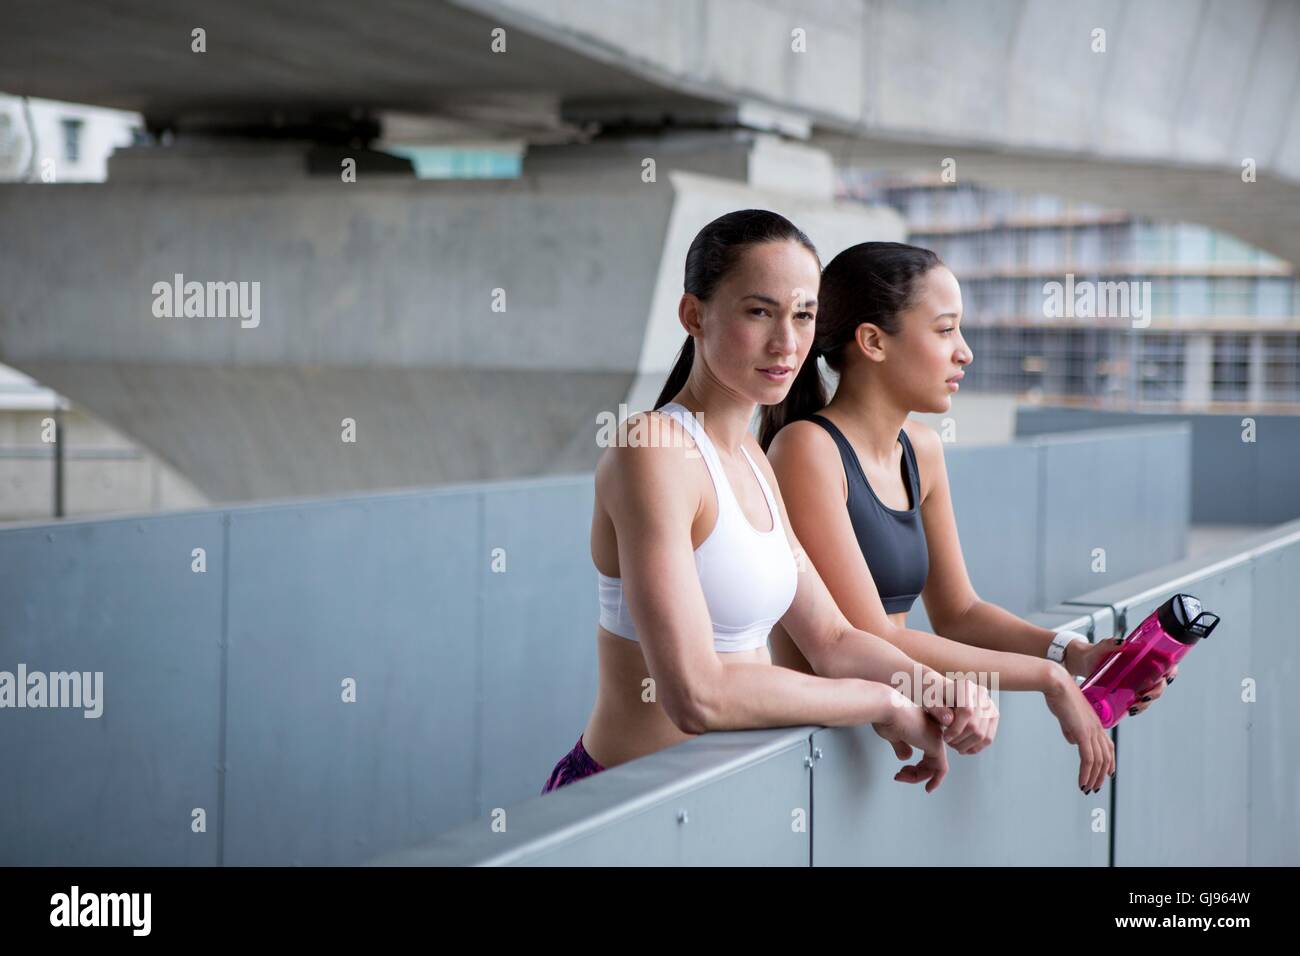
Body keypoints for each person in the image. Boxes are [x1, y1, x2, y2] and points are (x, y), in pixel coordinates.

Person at [542, 213, 998, 795]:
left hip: (725, 806)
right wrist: (879, 701)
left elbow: (831, 639)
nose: (787, 342)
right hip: (625, 809)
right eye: (759, 312)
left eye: (803, 315)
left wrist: (937, 688)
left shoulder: (756, 461)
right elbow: (695, 694)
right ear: (694, 315)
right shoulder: (652, 451)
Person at [759, 242, 1174, 795]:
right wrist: (1048, 680)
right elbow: (869, 636)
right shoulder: (806, 449)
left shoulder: (921, 451)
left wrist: (1074, 654)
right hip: (813, 753)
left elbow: (959, 611)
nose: (965, 353)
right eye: (945, 330)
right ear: (873, 341)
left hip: (895, 737)